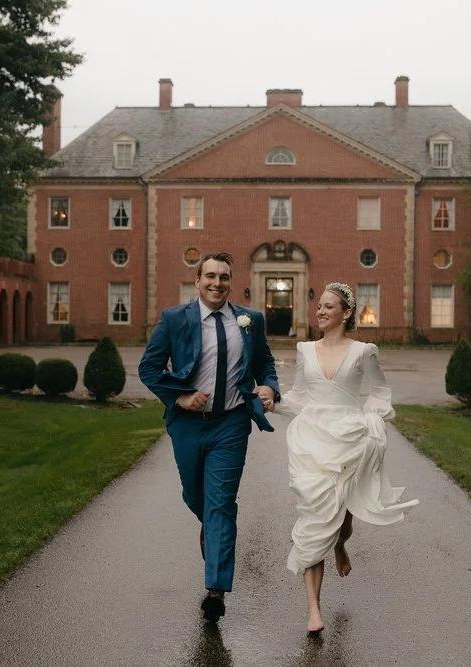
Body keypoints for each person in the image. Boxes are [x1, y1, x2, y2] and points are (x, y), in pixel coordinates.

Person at [138, 252, 280, 623]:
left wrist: (269, 387)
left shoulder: (250, 320)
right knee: (195, 496)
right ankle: (213, 530)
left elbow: (264, 362)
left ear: (232, 282)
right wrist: (179, 396)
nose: (217, 283)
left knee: (221, 503)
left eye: (224, 277)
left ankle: (215, 589)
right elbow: (149, 368)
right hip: (187, 424)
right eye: (210, 276)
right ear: (198, 281)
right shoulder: (174, 320)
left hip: (231, 423)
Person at [270, 282, 419, 633]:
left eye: (328, 306)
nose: (320, 311)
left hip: (350, 441)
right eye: (318, 306)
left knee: (343, 520)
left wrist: (372, 418)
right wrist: (274, 404)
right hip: (312, 444)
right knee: (314, 519)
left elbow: (380, 390)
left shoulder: (364, 351)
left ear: (347, 312)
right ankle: (313, 610)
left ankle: (341, 544)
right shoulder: (305, 350)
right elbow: (301, 396)